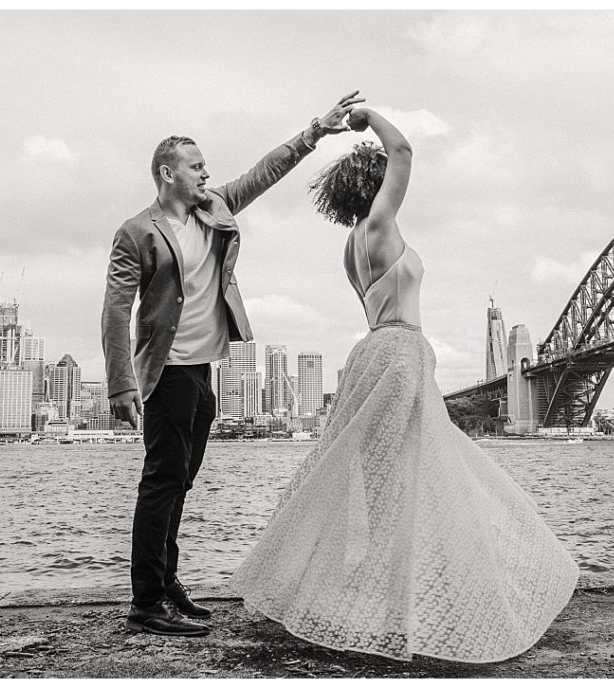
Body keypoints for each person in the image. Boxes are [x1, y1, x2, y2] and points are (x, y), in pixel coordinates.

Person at [230, 108, 580, 662]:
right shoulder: (378, 228)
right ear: (375, 189)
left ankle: (386, 596)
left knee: (386, 480)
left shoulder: (353, 244)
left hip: (378, 353)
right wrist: (371, 118)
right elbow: (405, 153)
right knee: (407, 478)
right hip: (398, 353)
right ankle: (403, 606)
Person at [102, 91, 365, 637]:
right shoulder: (137, 231)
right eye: (195, 166)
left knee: (181, 482)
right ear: (166, 171)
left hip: (203, 371)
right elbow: (115, 309)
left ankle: (166, 581)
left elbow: (264, 172)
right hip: (166, 372)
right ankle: (146, 602)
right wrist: (121, 385)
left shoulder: (214, 207)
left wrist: (316, 129)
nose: (205, 173)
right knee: (161, 483)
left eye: (205, 167)